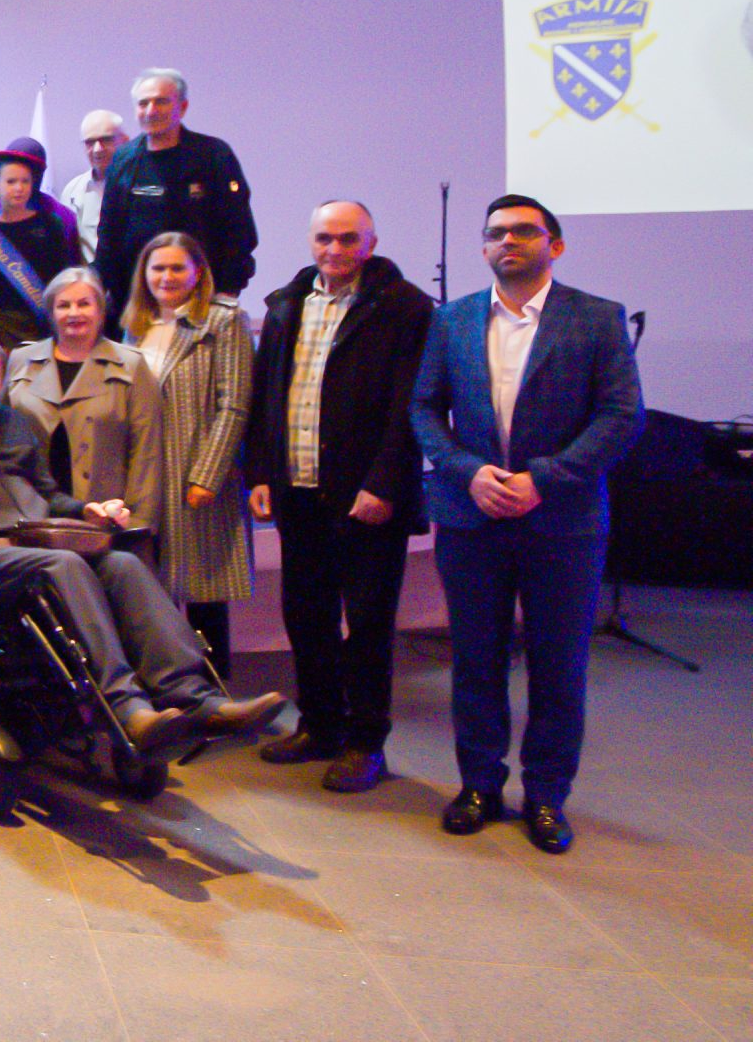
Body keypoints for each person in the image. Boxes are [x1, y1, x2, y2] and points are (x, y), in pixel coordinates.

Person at [412, 194, 641, 854]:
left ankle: (546, 795)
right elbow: (425, 409)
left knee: (558, 665)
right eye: (495, 233)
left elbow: (621, 416)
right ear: (484, 248)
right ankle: (479, 785)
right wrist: (467, 472)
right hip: (472, 514)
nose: (507, 241)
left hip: (562, 520)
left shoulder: (596, 317)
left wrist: (545, 479)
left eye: (522, 231)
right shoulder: (452, 319)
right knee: (475, 661)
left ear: (554, 245)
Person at [0, 338, 286, 750]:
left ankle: (195, 696)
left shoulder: (14, 424)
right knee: (66, 565)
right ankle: (128, 706)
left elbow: (48, 493)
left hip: (38, 539)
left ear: (1, 384)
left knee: (123, 563)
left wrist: (88, 510)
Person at [248, 201, 433, 792]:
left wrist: (385, 483)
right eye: (324, 238)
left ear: (371, 242)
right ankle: (319, 727)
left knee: (369, 624)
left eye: (348, 238)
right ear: (311, 241)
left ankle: (365, 743)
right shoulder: (287, 304)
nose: (335, 249)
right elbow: (266, 394)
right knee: (307, 618)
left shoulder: (405, 308)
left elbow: (412, 406)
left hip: (367, 499)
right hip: (298, 492)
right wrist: (261, 473)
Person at [123, 231, 256, 673]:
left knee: (203, 593)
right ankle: (169, 685)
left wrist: (207, 476)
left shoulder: (224, 321)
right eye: (158, 267)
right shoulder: (135, 325)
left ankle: (214, 690)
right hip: (145, 478)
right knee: (152, 593)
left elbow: (234, 405)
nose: (167, 276)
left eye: (177, 267)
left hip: (195, 475)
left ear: (198, 273)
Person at [6, 268, 163, 541]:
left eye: (84, 304)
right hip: (33, 514)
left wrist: (138, 522)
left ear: (101, 311)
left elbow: (147, 452)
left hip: (107, 516)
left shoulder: (132, 364)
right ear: (51, 312)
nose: (74, 313)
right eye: (63, 305)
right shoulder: (20, 359)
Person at [94, 69, 257, 324]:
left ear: (182, 107)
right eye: (143, 103)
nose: (151, 111)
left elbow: (239, 231)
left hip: (203, 305)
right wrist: (103, 290)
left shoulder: (214, 156)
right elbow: (109, 236)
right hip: (137, 306)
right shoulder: (123, 160)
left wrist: (228, 291)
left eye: (161, 101)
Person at [0, 137, 78, 353]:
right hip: (1, 332)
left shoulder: (51, 225)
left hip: (44, 326)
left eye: (25, 181)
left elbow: (63, 278)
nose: (19, 188)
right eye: (11, 182)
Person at [59, 110, 127, 264]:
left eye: (106, 140)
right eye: (90, 142)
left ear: (124, 141)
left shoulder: (138, 184)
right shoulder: (72, 190)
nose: (97, 149)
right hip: (88, 277)